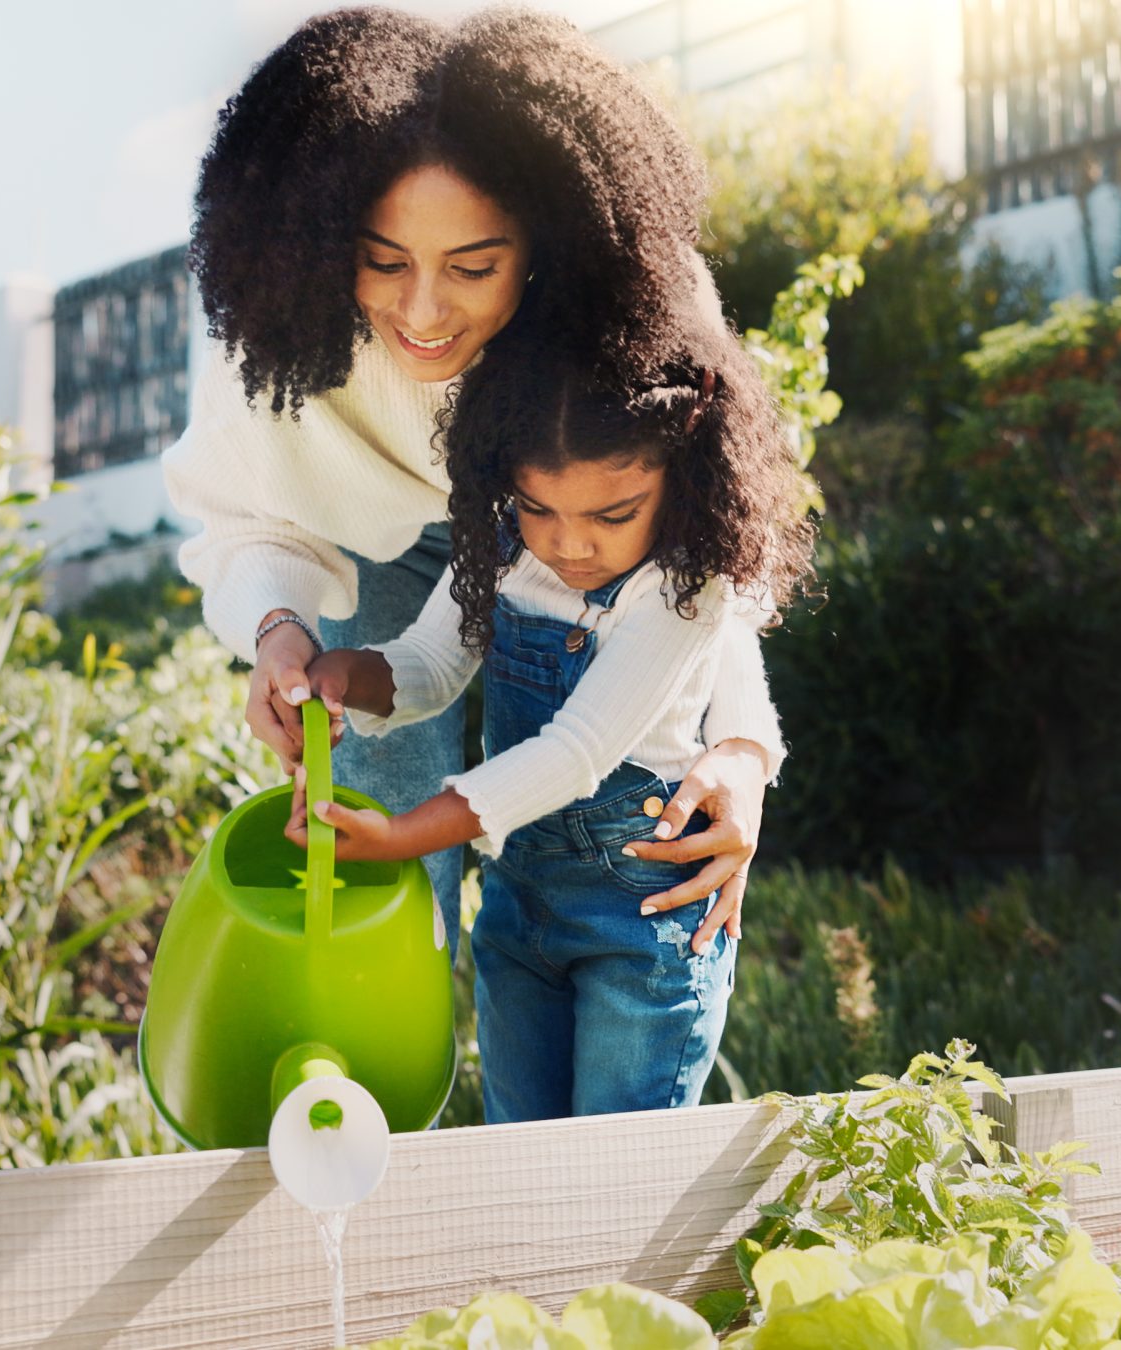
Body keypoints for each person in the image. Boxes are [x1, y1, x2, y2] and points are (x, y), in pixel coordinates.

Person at [166, 7, 784, 962]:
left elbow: (703, 548)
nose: (421, 310)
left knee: (596, 830)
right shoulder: (274, 335)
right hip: (369, 557)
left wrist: (739, 747)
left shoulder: (634, 300)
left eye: (473, 267)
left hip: (550, 538)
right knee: (379, 853)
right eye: (383, 262)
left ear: (540, 245)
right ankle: (385, 1087)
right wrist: (278, 634)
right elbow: (244, 515)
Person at [287, 327, 816, 1122]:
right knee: (518, 1160)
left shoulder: (683, 590)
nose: (569, 544)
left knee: (618, 1178)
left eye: (614, 513)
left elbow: (576, 753)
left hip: (641, 926)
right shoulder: (505, 548)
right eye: (538, 507)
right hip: (518, 905)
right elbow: (430, 664)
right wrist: (347, 674)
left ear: (682, 480)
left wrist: (403, 836)